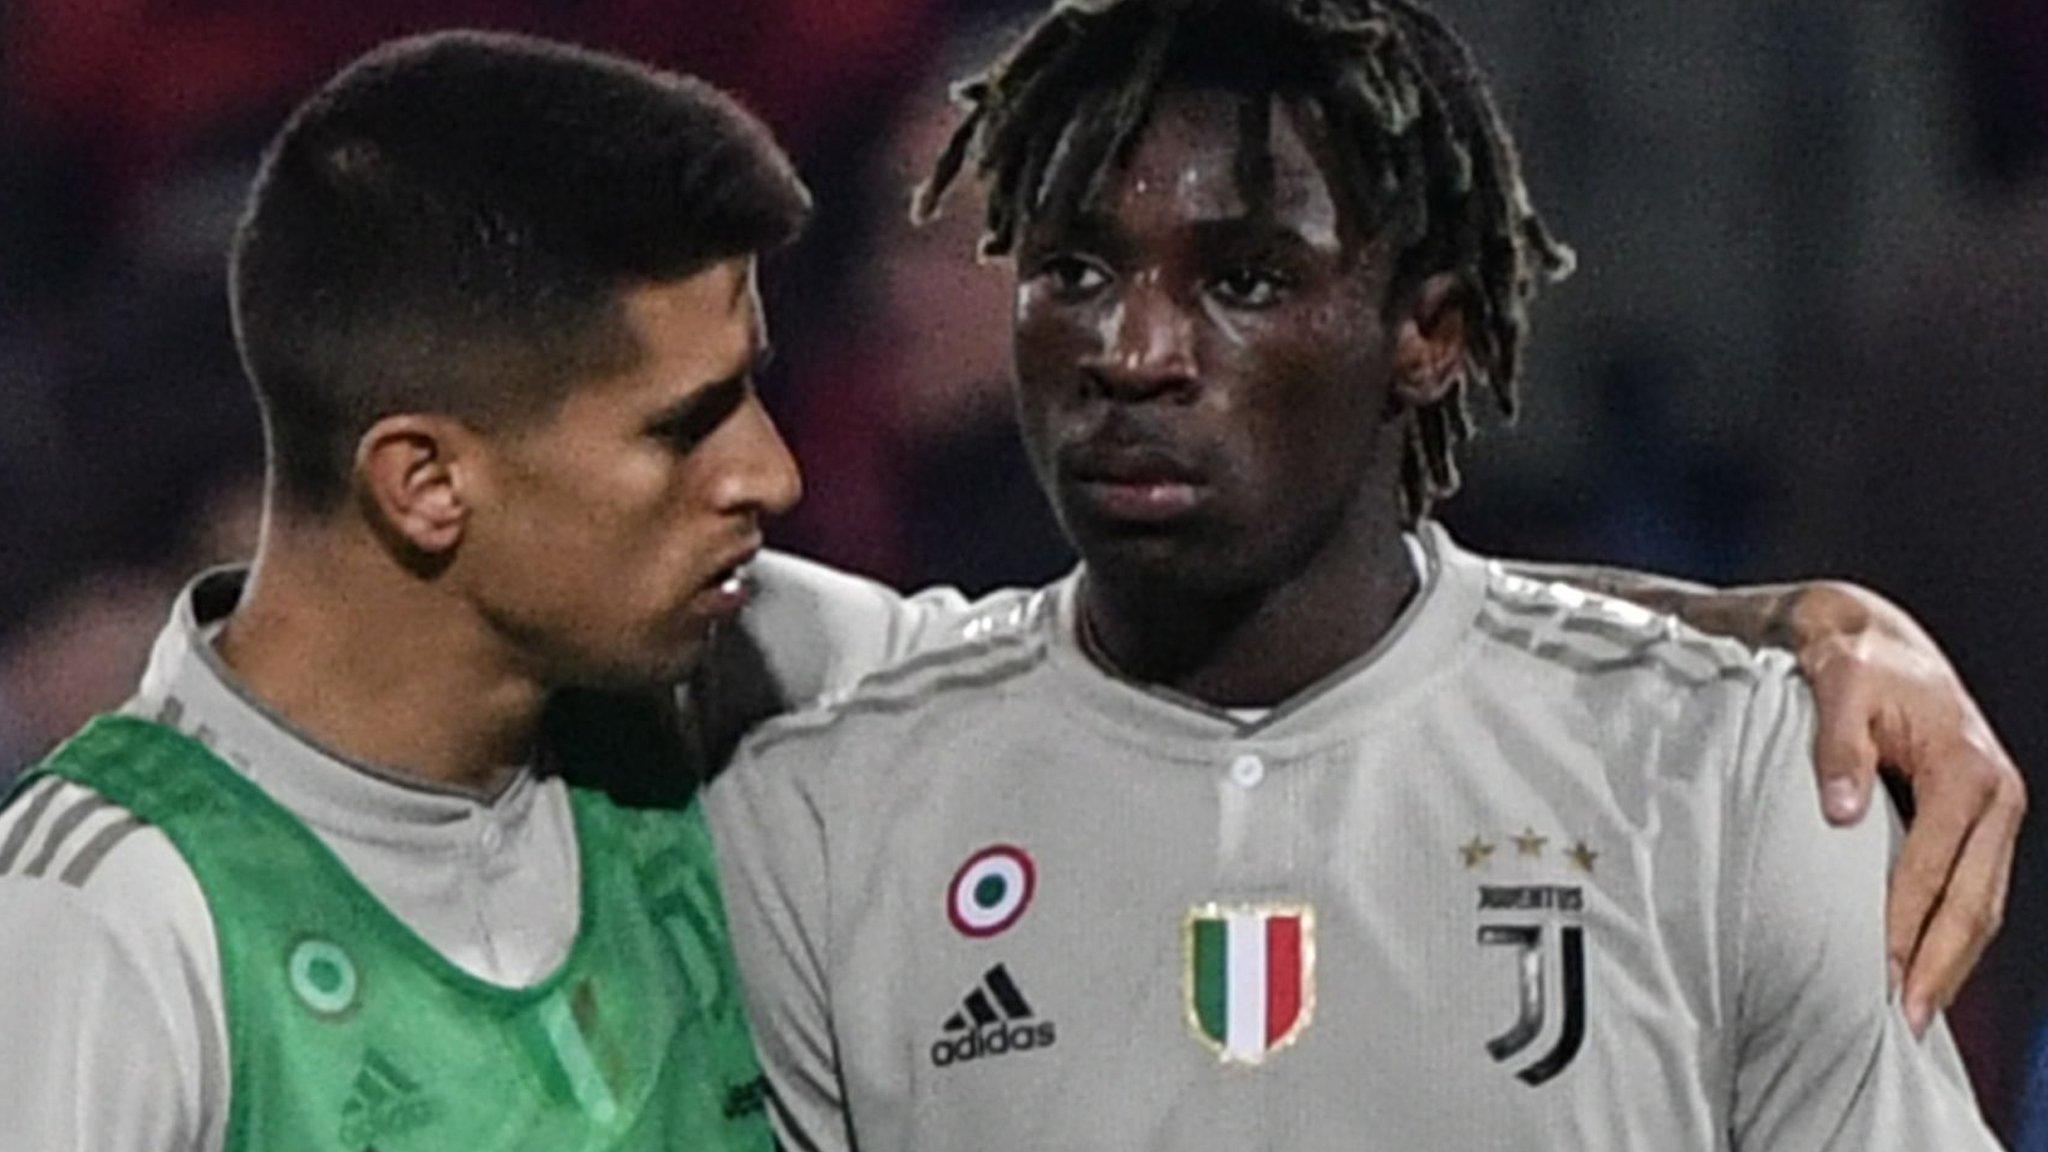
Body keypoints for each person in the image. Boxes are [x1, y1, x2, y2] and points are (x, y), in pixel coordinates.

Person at [703, 0, 2013, 1146]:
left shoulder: (1737, 786)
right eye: (1074, 272)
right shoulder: (822, 805)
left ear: (1430, 333)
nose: (1135, 348)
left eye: (1247, 279)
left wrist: (1779, 640)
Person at [0, 31, 806, 1151]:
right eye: (683, 427)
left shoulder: (747, 693)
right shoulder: (113, 916)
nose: (771, 474)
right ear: (425, 484)